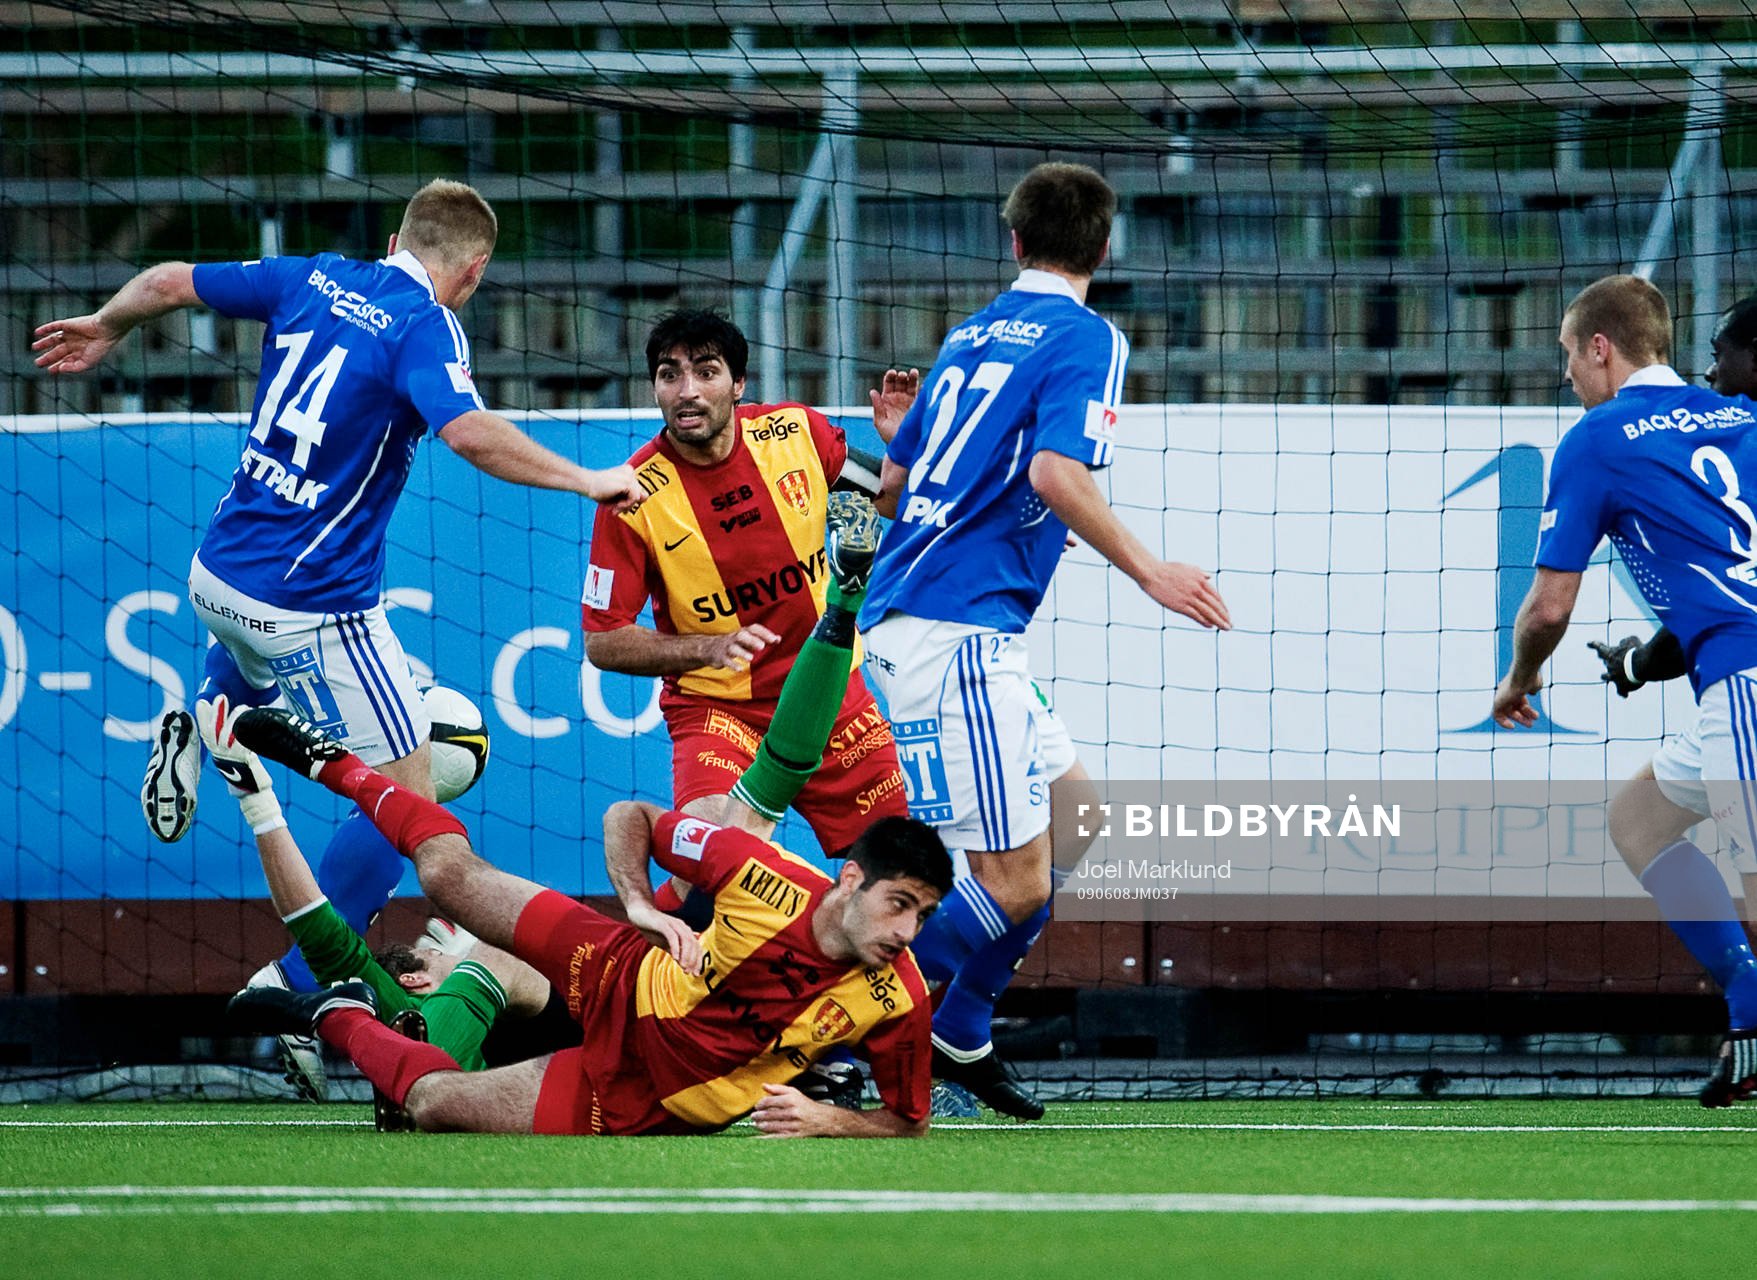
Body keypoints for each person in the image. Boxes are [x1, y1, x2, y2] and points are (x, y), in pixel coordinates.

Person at [31, 180, 644, 1080]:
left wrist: (105, 324)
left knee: (256, 654)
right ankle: (290, 984)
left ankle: (206, 719)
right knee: (416, 803)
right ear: (472, 272)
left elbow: (166, 281)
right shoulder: (425, 324)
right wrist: (587, 480)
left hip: (216, 576)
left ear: (395, 234)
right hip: (314, 610)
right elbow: (469, 432)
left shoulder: (311, 277)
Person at [227, 505, 953, 1136]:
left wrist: (825, 1114)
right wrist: (639, 905)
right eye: (900, 906)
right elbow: (644, 810)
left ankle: (334, 1012)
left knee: (433, 1103)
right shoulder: (754, 865)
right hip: (619, 970)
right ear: (851, 879)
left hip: (641, 1092)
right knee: (450, 876)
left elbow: (905, 1120)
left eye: (918, 917)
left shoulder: (895, 992)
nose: (905, 932)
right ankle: (334, 765)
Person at [855, 162, 1231, 1118]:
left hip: (933, 620)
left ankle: (959, 1025)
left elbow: (892, 492)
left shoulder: (969, 332)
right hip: (959, 633)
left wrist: (901, 431)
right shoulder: (1088, 335)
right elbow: (1060, 472)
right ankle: (838, 1027)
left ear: (1012, 240)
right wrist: (1153, 572)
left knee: (1078, 819)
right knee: (1011, 881)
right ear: (1104, 250)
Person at [1492, 273, 1757, 1107]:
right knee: (1639, 818)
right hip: (1726, 674)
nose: (1567, 374)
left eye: (1568, 355)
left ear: (1599, 348)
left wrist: (1518, 679)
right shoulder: (1745, 416)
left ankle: (1751, 1021)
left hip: (1748, 678)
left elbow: (1548, 605)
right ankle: (1746, 1003)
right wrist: (1641, 665)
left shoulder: (1598, 437)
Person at [582, 310, 913, 899]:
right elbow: (603, 640)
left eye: (706, 373)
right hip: (720, 711)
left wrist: (904, 443)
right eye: (668, 375)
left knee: (896, 877)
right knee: (715, 870)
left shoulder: (797, 434)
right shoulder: (631, 496)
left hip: (833, 697)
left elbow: (890, 498)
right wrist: (709, 648)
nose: (686, 391)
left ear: (738, 384)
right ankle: (629, 978)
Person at [195, 694, 550, 1106]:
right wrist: (470, 955)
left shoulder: (381, 990)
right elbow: (528, 969)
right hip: (432, 1076)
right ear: (417, 979)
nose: (439, 950)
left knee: (493, 956)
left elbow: (312, 919)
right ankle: (338, 1022)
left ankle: (335, 1018)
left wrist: (258, 804)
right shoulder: (465, 985)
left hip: (405, 1057)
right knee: (494, 949)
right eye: (434, 956)